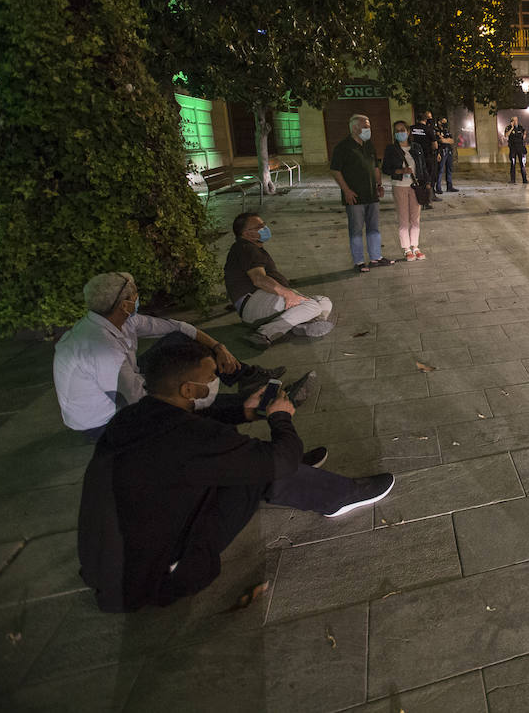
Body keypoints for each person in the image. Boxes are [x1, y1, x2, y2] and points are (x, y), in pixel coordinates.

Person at [76, 338, 394, 612]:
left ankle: (301, 476)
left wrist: (245, 411)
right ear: (188, 388)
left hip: (111, 568)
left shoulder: (133, 417)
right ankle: (338, 497)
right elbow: (273, 459)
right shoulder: (190, 439)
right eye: (211, 376)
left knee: (253, 463)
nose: (217, 380)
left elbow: (198, 420)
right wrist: (280, 419)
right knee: (262, 471)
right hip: (160, 576)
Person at [53, 271, 289, 441]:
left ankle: (244, 376)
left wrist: (219, 347)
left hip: (127, 381)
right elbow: (136, 402)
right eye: (135, 295)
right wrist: (197, 395)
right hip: (103, 422)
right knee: (184, 402)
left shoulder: (121, 320)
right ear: (124, 305)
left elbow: (179, 328)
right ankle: (256, 405)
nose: (138, 298)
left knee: (183, 342)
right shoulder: (100, 349)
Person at [226, 212, 335, 348]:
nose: (265, 228)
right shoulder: (246, 249)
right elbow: (259, 279)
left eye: (264, 224)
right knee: (311, 306)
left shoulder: (250, 248)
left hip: (261, 300)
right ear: (247, 234)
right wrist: (288, 294)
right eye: (259, 227)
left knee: (323, 301)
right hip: (253, 304)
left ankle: (305, 324)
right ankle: (263, 333)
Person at [330, 114, 394, 272]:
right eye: (365, 127)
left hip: (372, 194)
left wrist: (379, 185)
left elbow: (375, 167)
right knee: (356, 229)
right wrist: (346, 191)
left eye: (369, 126)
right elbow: (335, 170)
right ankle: (359, 261)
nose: (368, 129)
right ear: (354, 128)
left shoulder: (368, 145)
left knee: (373, 227)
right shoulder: (343, 147)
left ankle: (376, 257)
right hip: (355, 196)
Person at [383, 120, 429, 262]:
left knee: (415, 218)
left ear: (408, 132)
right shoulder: (391, 149)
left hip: (415, 187)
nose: (400, 133)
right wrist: (400, 171)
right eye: (397, 131)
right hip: (400, 186)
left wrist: (426, 182)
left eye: (402, 130)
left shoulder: (416, 147)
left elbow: (423, 166)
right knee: (404, 219)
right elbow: (386, 168)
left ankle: (415, 246)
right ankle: (406, 248)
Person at [408, 110, 438, 203]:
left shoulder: (411, 128)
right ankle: (427, 198)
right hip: (426, 156)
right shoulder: (428, 129)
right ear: (426, 119)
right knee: (428, 177)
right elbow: (435, 145)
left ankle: (414, 196)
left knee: (414, 177)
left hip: (412, 157)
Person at [435, 116, 458, 193]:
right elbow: (440, 141)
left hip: (449, 150)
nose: (445, 123)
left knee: (449, 169)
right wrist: (445, 140)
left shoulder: (446, 130)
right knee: (440, 169)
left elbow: (452, 141)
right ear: (439, 122)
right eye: (443, 122)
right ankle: (438, 187)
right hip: (441, 151)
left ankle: (449, 186)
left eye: (445, 122)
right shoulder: (436, 130)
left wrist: (445, 140)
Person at [506, 116, 529, 184]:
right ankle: (513, 180)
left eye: (516, 120)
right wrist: (512, 127)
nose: (516, 122)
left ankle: (524, 179)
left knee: (522, 164)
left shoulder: (520, 127)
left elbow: (524, 131)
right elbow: (506, 135)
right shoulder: (508, 128)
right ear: (511, 121)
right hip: (513, 148)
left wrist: (524, 134)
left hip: (520, 148)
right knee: (513, 164)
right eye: (514, 120)